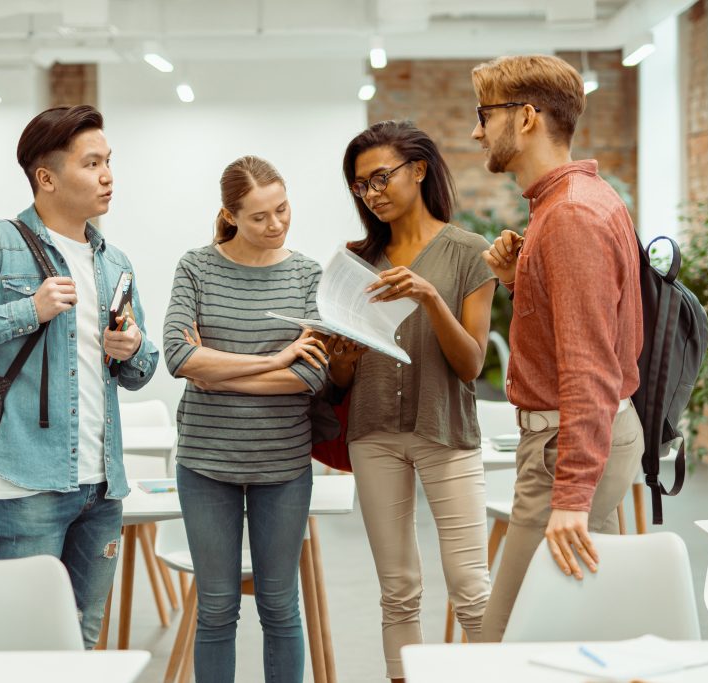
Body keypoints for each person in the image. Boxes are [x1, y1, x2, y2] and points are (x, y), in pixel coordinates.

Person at [0, 105, 159, 649]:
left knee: (82, 640)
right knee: (19, 644)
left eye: (109, 161)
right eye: (92, 163)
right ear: (46, 178)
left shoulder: (114, 262)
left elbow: (141, 370)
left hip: (101, 486)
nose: (108, 175)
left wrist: (134, 347)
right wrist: (28, 311)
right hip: (24, 483)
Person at [470, 55, 645, 641]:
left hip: (564, 449)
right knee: (575, 634)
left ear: (525, 118)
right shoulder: (575, 199)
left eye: (484, 115)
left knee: (503, 641)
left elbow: (591, 365)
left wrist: (570, 495)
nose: (476, 131)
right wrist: (523, 278)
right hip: (574, 441)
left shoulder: (569, 215)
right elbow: (588, 323)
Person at [331, 120, 496, 682]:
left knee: (472, 588)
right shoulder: (355, 260)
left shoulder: (469, 253)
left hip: (446, 431)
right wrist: (342, 358)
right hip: (373, 435)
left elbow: (471, 363)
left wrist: (429, 298)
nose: (372, 194)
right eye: (360, 186)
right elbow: (342, 375)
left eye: (380, 179)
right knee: (398, 591)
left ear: (419, 170)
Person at [163, 155, 329, 683]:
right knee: (216, 609)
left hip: (282, 465)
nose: (276, 224)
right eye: (259, 217)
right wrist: (274, 359)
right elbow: (177, 357)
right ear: (230, 216)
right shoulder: (196, 267)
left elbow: (311, 378)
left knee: (280, 608)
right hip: (205, 463)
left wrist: (217, 373)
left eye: (282, 209)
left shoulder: (308, 275)